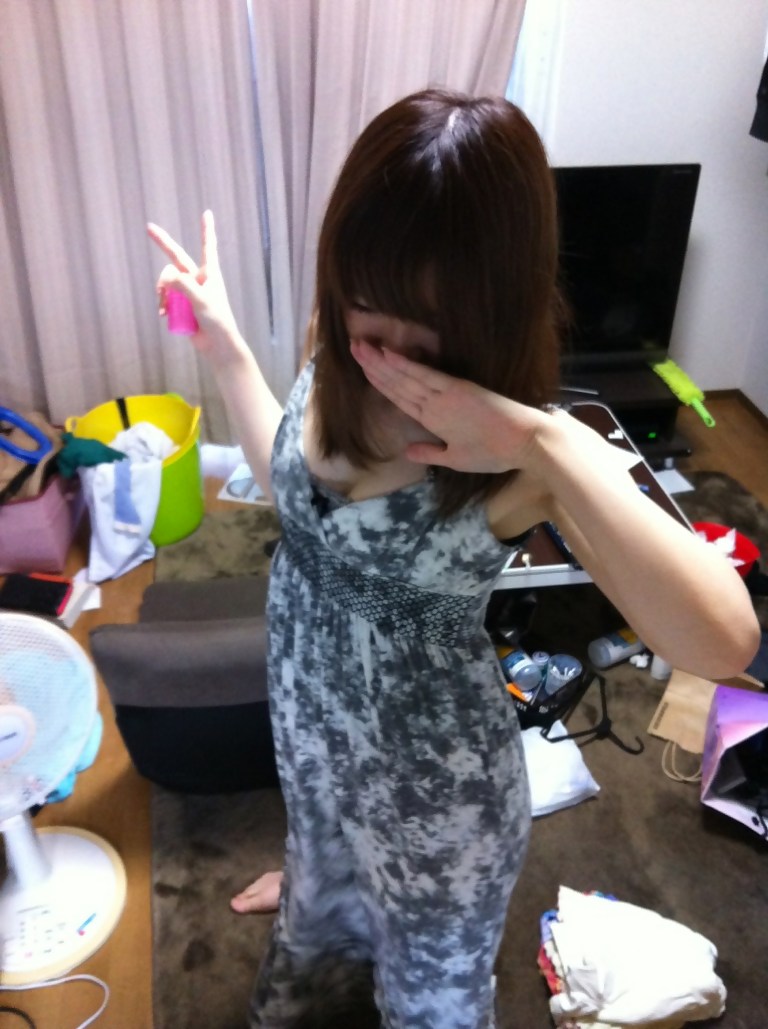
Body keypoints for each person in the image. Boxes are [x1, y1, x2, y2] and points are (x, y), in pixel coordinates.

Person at [148, 89, 758, 1029]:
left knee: (427, 998)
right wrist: (227, 342)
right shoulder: (336, 346)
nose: (379, 353)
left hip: (434, 800)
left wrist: (545, 442)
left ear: (486, 312)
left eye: (417, 326)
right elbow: (300, 508)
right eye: (363, 302)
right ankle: (327, 892)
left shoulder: (518, 455)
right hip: (315, 733)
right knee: (321, 894)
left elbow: (723, 639)